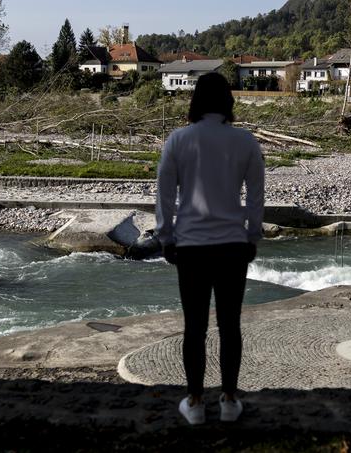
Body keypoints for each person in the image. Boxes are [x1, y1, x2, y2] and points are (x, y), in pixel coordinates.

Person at [155, 72, 265, 425]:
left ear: (196, 101)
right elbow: (256, 196)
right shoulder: (245, 141)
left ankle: (195, 402)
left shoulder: (178, 140)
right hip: (233, 245)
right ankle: (230, 401)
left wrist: (165, 237)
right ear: (228, 101)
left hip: (191, 247)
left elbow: (165, 195)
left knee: (195, 328)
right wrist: (252, 236)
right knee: (230, 326)